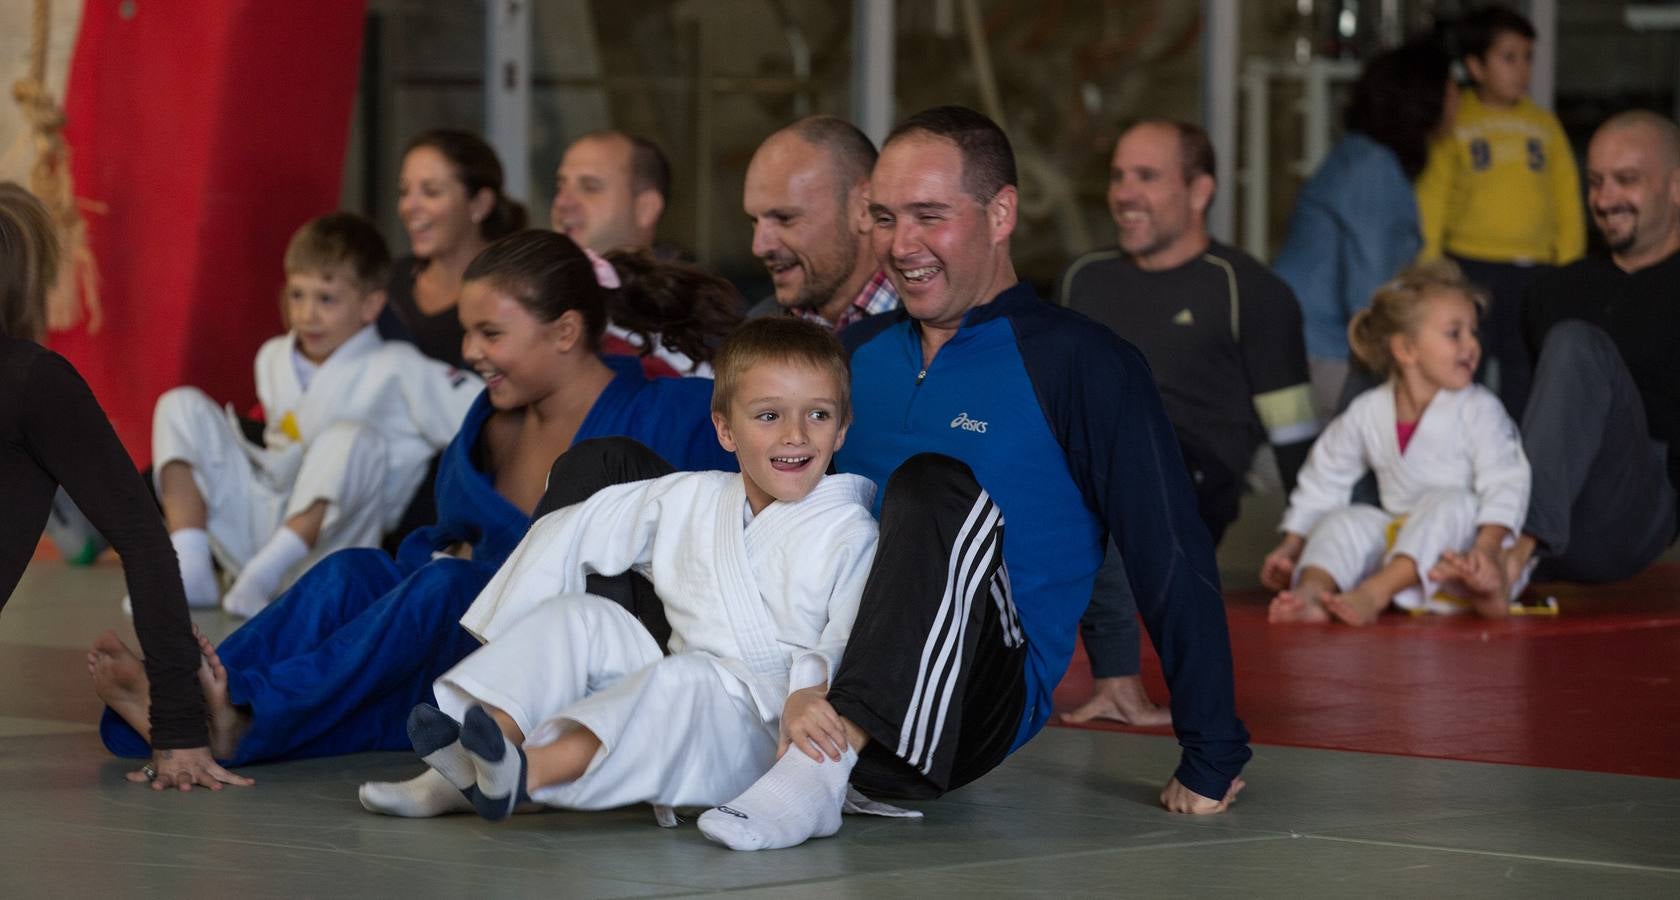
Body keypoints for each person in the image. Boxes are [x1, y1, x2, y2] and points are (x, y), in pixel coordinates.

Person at [694, 106, 1250, 853]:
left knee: (932, 485)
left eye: (930, 216)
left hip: (961, 705)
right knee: (625, 471)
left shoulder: (1081, 363)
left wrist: (1212, 751)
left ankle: (823, 765)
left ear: (1000, 213)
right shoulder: (853, 354)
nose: (903, 245)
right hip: (800, 672)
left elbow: (1169, 553)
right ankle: (531, 718)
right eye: (887, 219)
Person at [90, 230, 739, 766]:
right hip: (466, 646)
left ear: (565, 332)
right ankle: (182, 699)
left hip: (577, 660)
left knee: (448, 589)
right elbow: (443, 532)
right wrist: (444, 548)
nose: (469, 353)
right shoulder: (488, 421)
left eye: (490, 334)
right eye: (467, 332)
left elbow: (741, 514)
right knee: (353, 570)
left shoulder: (671, 412)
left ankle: (239, 714)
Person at [359, 317, 880, 822]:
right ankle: (480, 756)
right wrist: (510, 635)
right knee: (580, 617)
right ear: (725, 429)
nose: (796, 435)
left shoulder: (851, 529)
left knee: (688, 679)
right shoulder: (693, 497)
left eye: (817, 415)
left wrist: (809, 693)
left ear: (841, 431)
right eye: (769, 416)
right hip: (676, 693)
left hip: (764, 735)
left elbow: (850, 638)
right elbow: (583, 524)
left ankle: (525, 775)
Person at [1059, 119, 1317, 725]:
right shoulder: (1083, 279)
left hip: (1191, 476)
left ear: (1200, 191)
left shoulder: (1250, 290)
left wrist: (1311, 552)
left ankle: (1120, 680)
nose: (1124, 193)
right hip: (1088, 464)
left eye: (1146, 177)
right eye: (1119, 176)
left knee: (1111, 467)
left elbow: (1296, 435)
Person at [0, 183, 248, 791]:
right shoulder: (35, 382)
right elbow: (142, 539)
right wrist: (181, 730)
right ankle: (224, 721)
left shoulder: (29, 383)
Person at [150, 212, 480, 618]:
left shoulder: (399, 366)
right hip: (258, 527)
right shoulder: (272, 357)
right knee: (178, 405)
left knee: (351, 439)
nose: (307, 315)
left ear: (371, 304)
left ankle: (266, 575)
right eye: (297, 295)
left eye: (326, 299)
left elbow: (479, 412)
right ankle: (192, 567)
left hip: (330, 554)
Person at [1438, 111, 1680, 603]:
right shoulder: (1555, 288)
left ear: (1677, 187)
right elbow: (1525, 412)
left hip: (1634, 505)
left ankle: (1513, 554)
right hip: (1534, 486)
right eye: (1595, 183)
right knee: (1409, 328)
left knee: (1576, 343)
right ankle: (1333, 558)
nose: (1606, 199)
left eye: (1626, 181)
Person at [1264, 261, 1529, 626]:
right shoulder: (1368, 411)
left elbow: (1506, 482)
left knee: (1453, 503)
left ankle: (1376, 593)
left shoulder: (1480, 408)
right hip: (1400, 540)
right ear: (1406, 349)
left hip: (1464, 557)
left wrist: (1486, 550)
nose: (1472, 345)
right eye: (1455, 333)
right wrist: (1292, 546)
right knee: (1344, 520)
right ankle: (1311, 594)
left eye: (1473, 332)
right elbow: (1325, 478)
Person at [1415, 5, 1584, 416]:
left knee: (1525, 367)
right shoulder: (1456, 121)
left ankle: (1516, 457)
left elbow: (1566, 196)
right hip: (1470, 264)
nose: (1522, 69)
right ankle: (1455, 448)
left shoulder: (1544, 126)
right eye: (1509, 57)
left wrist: (1570, 264)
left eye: (1528, 57)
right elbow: (1433, 194)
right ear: (1475, 66)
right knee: (1460, 361)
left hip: (1534, 269)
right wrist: (1429, 265)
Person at [1275, 38, 1458, 417]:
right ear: (1423, 97)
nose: (1458, 100)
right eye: (1451, 87)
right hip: (1319, 358)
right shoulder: (1372, 168)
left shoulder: (1362, 156)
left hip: (1300, 354)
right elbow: (1370, 296)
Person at [383, 129, 526, 368]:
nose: (409, 206)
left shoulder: (516, 293)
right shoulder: (387, 283)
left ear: (480, 204)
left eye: (431, 192)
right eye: (404, 191)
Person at [743, 116, 900, 329]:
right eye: (755, 221)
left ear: (865, 208)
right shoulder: (751, 335)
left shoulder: (939, 330)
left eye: (785, 218)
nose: (759, 247)